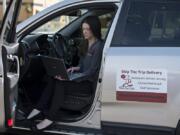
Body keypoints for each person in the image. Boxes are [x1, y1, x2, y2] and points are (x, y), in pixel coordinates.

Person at [27, 15, 103, 130]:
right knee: (54, 77)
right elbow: (82, 65)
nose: (84, 32)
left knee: (60, 83)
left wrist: (71, 78)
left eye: (87, 29)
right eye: (83, 29)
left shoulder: (99, 46)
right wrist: (74, 69)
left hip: (87, 83)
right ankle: (39, 108)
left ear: (95, 29)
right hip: (80, 77)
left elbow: (91, 72)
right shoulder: (85, 43)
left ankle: (50, 118)